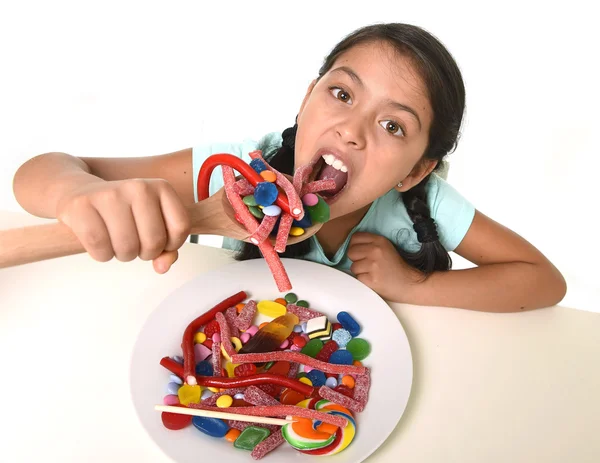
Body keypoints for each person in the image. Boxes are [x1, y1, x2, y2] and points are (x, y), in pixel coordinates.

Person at [12, 23, 566, 312]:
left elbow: (543, 281)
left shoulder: (427, 206)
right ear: (307, 98)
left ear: (416, 171)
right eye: (343, 94)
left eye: (392, 125)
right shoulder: (235, 171)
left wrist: (414, 286)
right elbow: (41, 171)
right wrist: (75, 193)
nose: (351, 129)